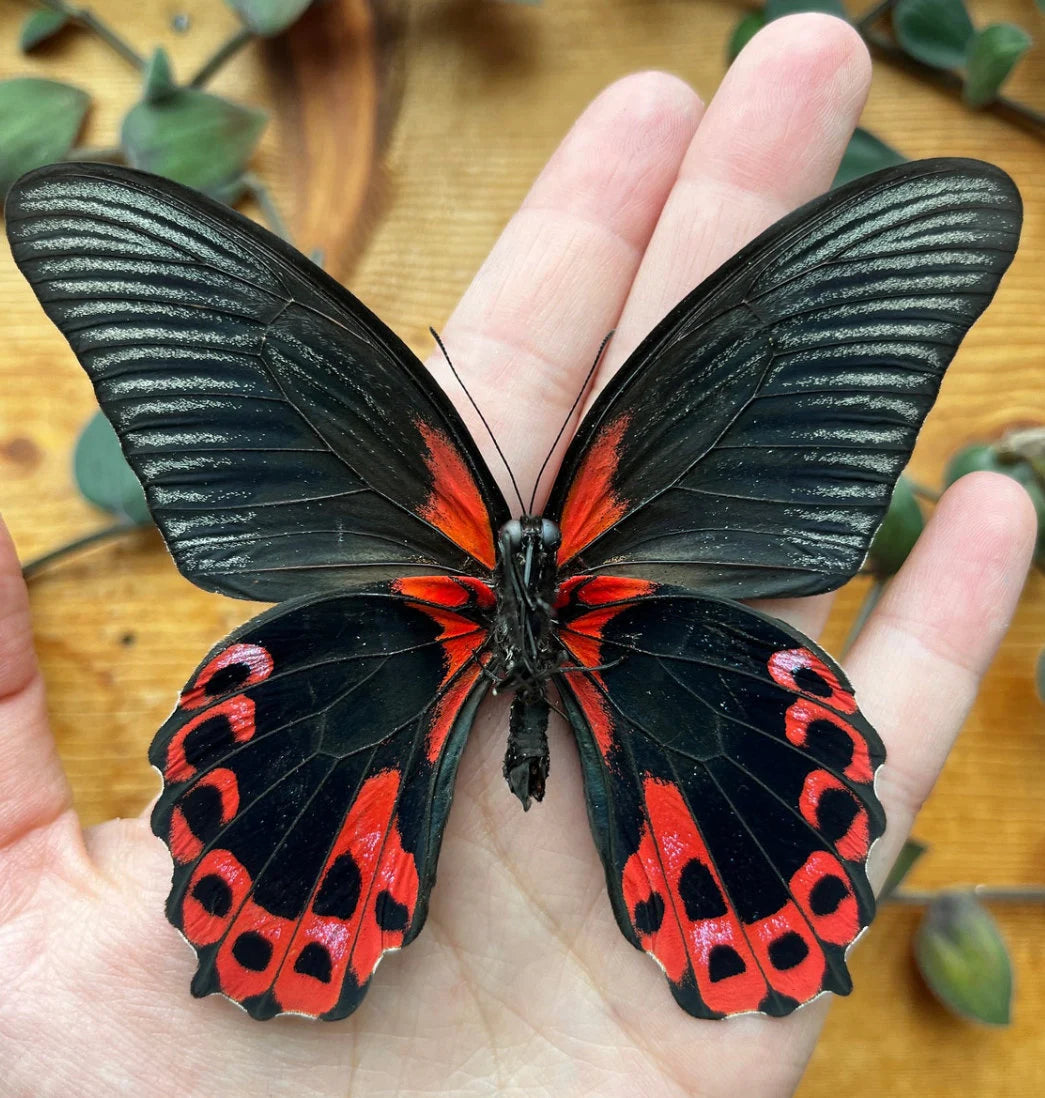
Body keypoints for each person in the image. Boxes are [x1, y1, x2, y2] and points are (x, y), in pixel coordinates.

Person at [0, 14, 1035, 1097]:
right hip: (640, 659)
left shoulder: (441, 521)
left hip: (404, 656)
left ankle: (709, 918)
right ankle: (318, 921)